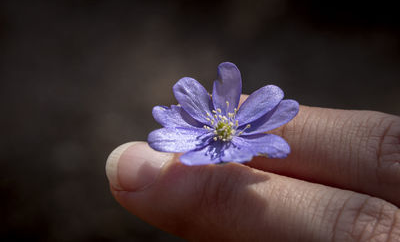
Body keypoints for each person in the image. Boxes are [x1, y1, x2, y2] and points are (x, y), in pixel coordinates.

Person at [105, 96, 400, 241]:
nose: (222, 125)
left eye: (224, 122)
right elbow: (169, 139)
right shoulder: (212, 127)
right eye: (220, 123)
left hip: (243, 144)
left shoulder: (236, 127)